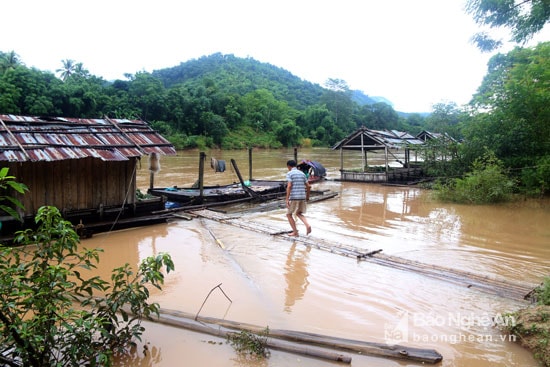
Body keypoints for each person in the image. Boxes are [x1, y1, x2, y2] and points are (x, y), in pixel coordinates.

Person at [285, 159, 311, 237]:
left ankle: (295, 232)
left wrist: (287, 199)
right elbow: (308, 186)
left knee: (289, 215)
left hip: (294, 197)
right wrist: (307, 197)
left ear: (289, 166)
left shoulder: (290, 173)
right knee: (299, 213)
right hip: (302, 196)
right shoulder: (302, 174)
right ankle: (307, 225)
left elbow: (289, 186)